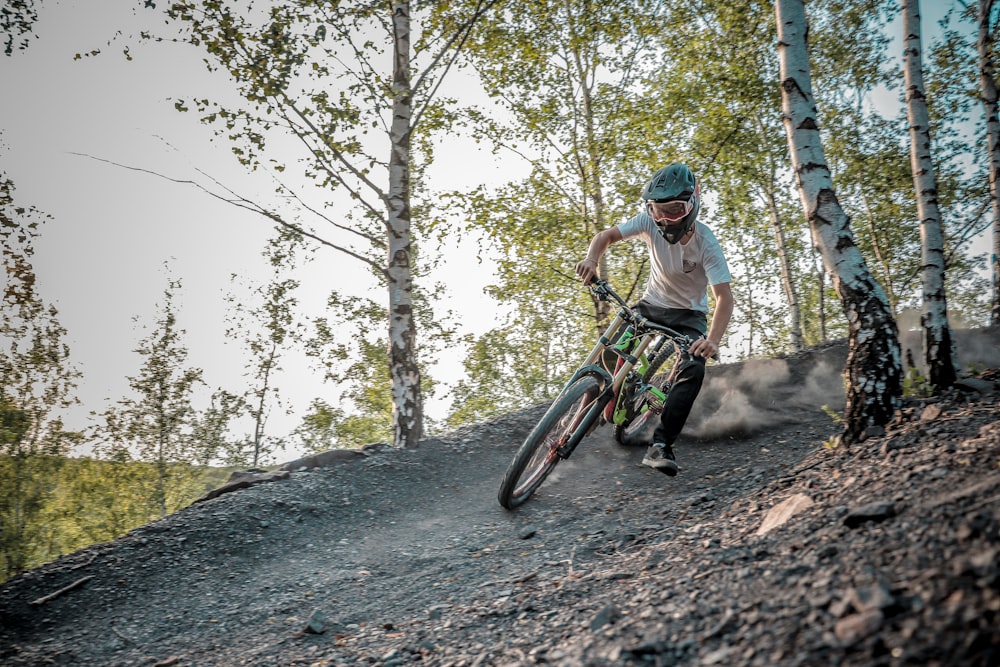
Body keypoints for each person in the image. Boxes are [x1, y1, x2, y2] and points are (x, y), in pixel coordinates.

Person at [575, 163, 733, 476]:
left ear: (691, 205)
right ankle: (587, 408)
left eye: (674, 210)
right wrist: (592, 259)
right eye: (657, 210)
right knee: (609, 349)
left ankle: (661, 444)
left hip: (690, 315)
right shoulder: (648, 222)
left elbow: (724, 298)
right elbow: (606, 235)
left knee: (693, 369)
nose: (664, 218)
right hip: (651, 304)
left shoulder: (705, 242)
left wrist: (712, 340)